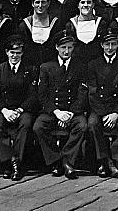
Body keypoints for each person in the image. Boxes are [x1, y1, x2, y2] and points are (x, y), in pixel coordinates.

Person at [29, 32, 87, 179]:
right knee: (38, 126)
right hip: (53, 111)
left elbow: (82, 94)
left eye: (69, 47)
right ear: (56, 47)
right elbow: (42, 95)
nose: (66, 51)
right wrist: (57, 112)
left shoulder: (80, 66)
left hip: (72, 111)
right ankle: (56, 160)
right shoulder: (46, 67)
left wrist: (71, 113)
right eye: (63, 47)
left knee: (82, 126)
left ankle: (67, 161)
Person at [82, 28, 118, 179]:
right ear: (101, 45)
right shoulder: (93, 65)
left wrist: (116, 114)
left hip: (117, 109)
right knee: (92, 124)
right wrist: (105, 114)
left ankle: (115, 161)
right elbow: (92, 93)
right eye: (107, 44)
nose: (110, 48)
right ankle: (104, 161)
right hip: (100, 109)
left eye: (113, 44)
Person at [0, 39, 36, 180]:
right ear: (6, 53)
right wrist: (4, 110)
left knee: (26, 124)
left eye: (18, 53)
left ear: (22, 54)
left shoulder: (29, 69)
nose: (15, 56)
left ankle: (17, 162)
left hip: (22, 109)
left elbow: (32, 95)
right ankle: (7, 162)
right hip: (3, 109)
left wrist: (20, 110)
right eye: (12, 53)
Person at [17, 0, 68, 67]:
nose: (40, 6)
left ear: (48, 4)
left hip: (51, 64)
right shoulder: (24, 25)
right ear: (32, 4)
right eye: (37, 2)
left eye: (43, 2)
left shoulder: (55, 23)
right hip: (29, 64)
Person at [64, 0, 109, 64]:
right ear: (78, 5)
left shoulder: (101, 22)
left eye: (89, 2)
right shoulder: (71, 24)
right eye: (82, 2)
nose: (85, 5)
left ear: (93, 5)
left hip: (97, 62)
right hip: (77, 63)